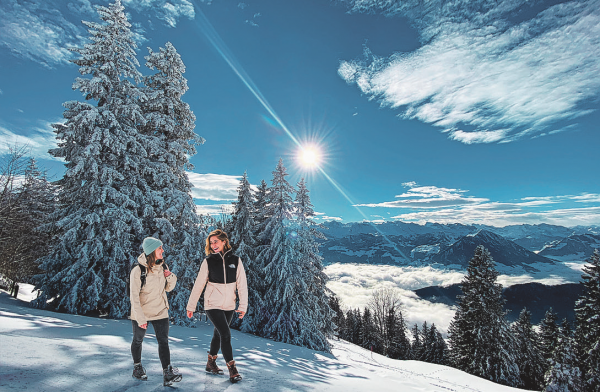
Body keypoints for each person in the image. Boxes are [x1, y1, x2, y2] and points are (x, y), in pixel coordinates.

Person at [186, 229, 248, 383]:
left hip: (229, 305)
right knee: (226, 335)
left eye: (216, 242)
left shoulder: (236, 260)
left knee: (218, 334)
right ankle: (232, 369)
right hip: (212, 303)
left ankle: (211, 363)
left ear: (224, 242)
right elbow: (199, 285)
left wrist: (243, 305)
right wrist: (191, 306)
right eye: (211, 242)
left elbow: (242, 285)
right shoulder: (208, 261)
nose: (213, 245)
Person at [130, 237, 182, 386]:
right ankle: (137, 367)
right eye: (160, 248)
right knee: (138, 340)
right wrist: (140, 318)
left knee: (163, 341)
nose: (163, 251)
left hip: (160, 311)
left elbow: (168, 288)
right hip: (142, 312)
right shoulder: (138, 270)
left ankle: (167, 373)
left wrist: (170, 277)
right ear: (152, 251)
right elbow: (134, 297)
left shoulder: (162, 266)